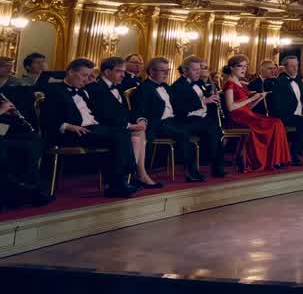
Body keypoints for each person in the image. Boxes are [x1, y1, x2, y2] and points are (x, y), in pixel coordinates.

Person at [38, 58, 139, 198]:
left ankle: (119, 182)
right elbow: (48, 118)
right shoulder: (55, 91)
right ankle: (118, 183)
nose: (86, 80)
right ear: (71, 72)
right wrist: (68, 126)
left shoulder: (85, 91)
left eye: (89, 76)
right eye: (84, 75)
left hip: (93, 128)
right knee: (118, 137)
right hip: (72, 132)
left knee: (122, 133)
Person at [132, 56, 226, 182]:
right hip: (158, 123)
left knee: (210, 127)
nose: (166, 73)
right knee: (183, 134)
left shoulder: (166, 86)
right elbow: (141, 111)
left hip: (173, 121)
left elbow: (178, 106)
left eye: (167, 70)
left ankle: (206, 166)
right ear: (151, 71)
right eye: (163, 71)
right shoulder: (143, 88)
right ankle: (191, 172)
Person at [88, 56, 163, 188]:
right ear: (106, 72)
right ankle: (129, 177)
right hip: (105, 127)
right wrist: (128, 125)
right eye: (119, 71)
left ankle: (137, 175)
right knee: (135, 135)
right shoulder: (96, 88)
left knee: (140, 131)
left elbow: (126, 111)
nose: (123, 75)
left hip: (118, 125)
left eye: (123, 71)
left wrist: (141, 119)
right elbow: (103, 115)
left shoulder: (117, 87)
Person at [222, 56, 291, 171]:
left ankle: (276, 160)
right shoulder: (229, 84)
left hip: (248, 114)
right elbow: (231, 107)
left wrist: (258, 98)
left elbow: (248, 107)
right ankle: (262, 161)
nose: (244, 69)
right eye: (240, 66)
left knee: (277, 122)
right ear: (231, 68)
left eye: (245, 66)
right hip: (237, 117)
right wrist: (250, 99)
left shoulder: (242, 84)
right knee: (273, 124)